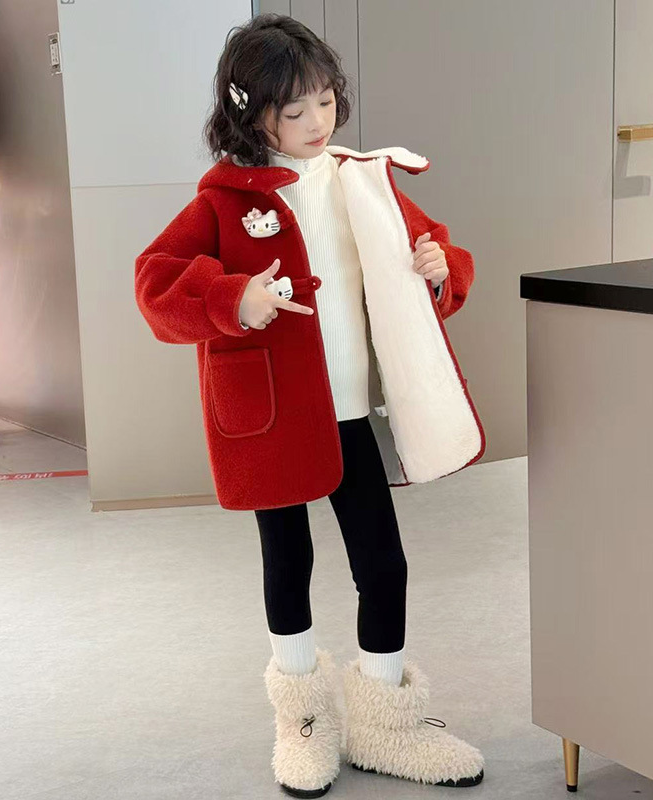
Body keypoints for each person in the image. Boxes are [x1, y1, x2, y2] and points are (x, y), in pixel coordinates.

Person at [135, 13, 486, 798]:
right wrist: (234, 298)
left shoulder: (361, 177)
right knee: (287, 563)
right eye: (294, 111)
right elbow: (156, 285)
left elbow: (442, 255)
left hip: (349, 410)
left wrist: (439, 266)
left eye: (325, 101)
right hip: (268, 418)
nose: (317, 122)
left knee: (383, 564)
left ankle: (386, 725)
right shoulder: (224, 199)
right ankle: (302, 723)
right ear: (249, 111)